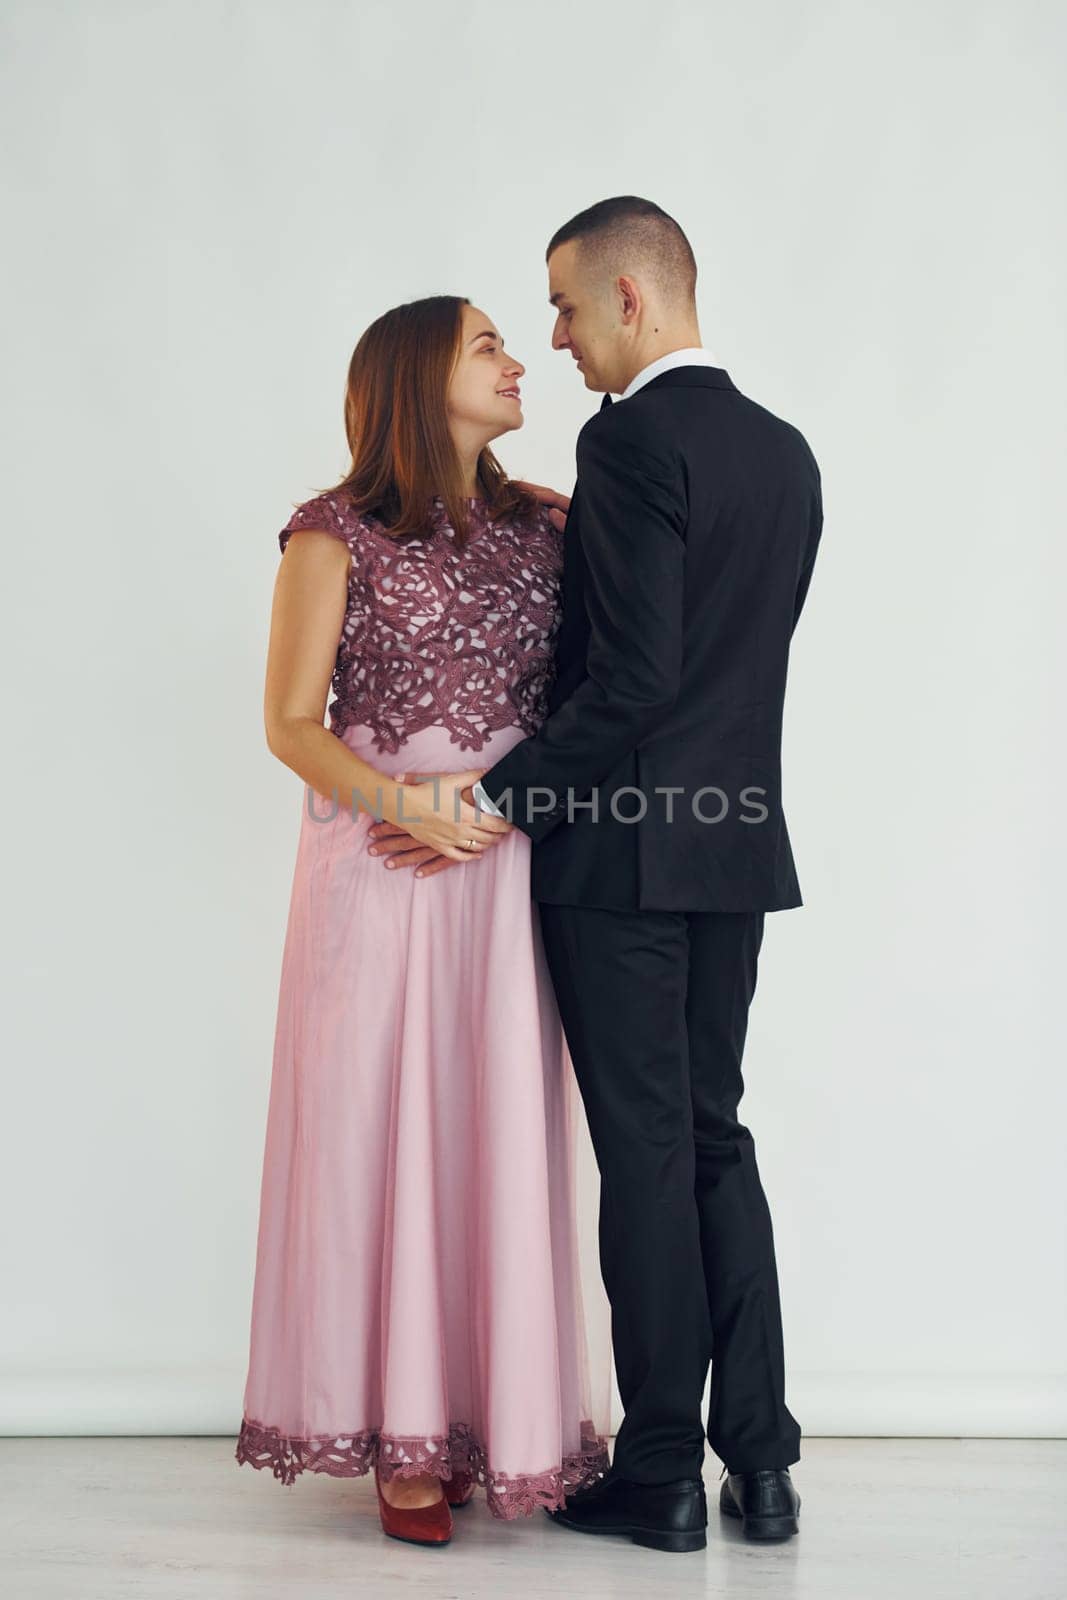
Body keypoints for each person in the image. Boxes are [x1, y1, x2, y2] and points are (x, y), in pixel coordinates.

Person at [366, 196, 823, 1554]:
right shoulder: (783, 453)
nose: (555, 340)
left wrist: (495, 804)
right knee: (710, 1146)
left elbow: (631, 678)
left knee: (644, 1159)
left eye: (563, 308)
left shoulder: (627, 442)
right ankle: (763, 1465)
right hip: (733, 842)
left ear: (632, 300)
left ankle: (660, 1475)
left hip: (618, 858)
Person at [234, 293, 612, 1547]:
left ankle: (495, 1423)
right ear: (415, 377)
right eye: (488, 343)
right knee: (376, 1127)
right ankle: (393, 1438)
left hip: (510, 863)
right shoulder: (329, 531)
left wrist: (500, 807)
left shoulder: (551, 522)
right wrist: (408, 801)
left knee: (496, 1121)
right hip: (383, 863)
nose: (519, 360)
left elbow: (601, 697)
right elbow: (289, 721)